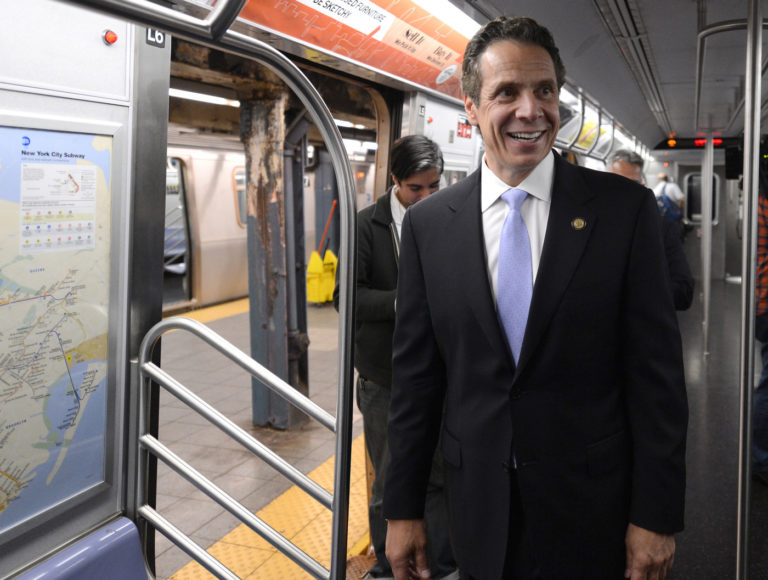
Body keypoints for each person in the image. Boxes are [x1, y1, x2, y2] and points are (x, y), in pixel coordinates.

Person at [383, 16, 687, 580]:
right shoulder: (430, 227)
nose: (531, 110)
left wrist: (657, 514)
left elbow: (657, 379)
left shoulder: (624, 213)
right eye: (507, 93)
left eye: (544, 90)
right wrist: (402, 508)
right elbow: (416, 383)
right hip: (476, 506)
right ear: (470, 108)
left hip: (593, 510)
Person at [334, 135, 457, 580]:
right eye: (415, 188)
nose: (425, 197)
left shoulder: (449, 220)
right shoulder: (366, 226)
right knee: (390, 482)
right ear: (394, 182)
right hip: (385, 378)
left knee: (440, 475)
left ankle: (440, 564)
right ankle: (389, 567)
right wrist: (408, 301)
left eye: (433, 186)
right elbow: (346, 298)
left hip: (439, 375)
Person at [607, 149, 694, 310]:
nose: (624, 192)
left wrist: (636, 291)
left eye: (633, 185)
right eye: (616, 183)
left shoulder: (663, 230)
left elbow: (684, 293)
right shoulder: (589, 227)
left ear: (643, 187)